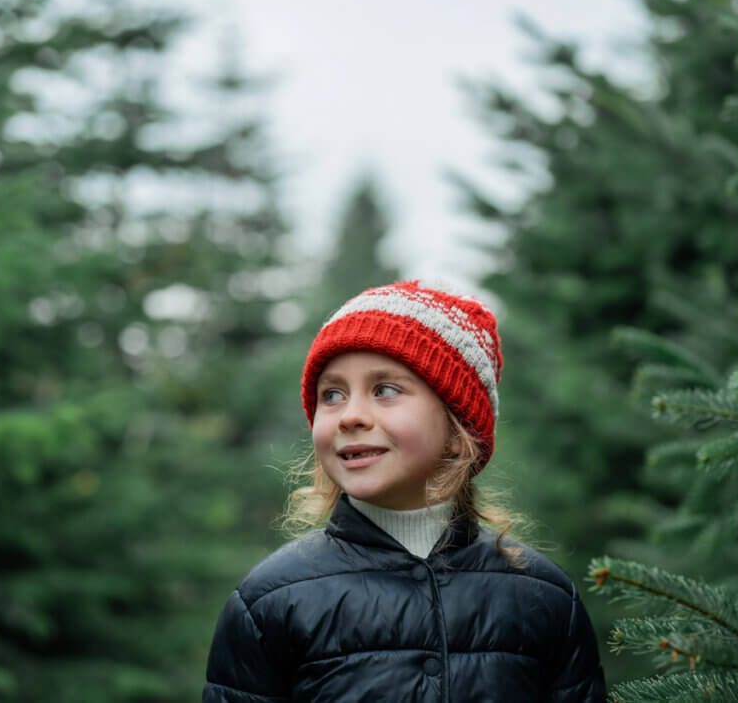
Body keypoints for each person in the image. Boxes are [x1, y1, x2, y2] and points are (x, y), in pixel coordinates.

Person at [203, 281, 606, 702]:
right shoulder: (268, 603)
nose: (351, 416)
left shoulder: (545, 599)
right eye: (333, 395)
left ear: (457, 428)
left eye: (385, 390)